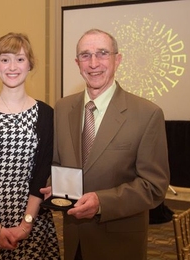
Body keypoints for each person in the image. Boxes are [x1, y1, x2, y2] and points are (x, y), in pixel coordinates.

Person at [41, 28, 170, 260]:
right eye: (85, 55)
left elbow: (154, 186)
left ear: (117, 59)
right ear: (77, 62)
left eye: (102, 53)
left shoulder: (147, 113)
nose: (93, 63)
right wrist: (56, 185)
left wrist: (102, 202)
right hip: (74, 239)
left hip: (119, 244)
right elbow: (58, 161)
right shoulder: (62, 108)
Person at [0, 32, 60, 259]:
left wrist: (26, 224)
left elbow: (41, 173)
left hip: (33, 222)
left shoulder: (46, 114)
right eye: (5, 59)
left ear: (30, 65)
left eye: (20, 59)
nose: (12, 66)